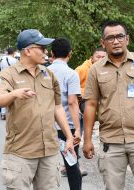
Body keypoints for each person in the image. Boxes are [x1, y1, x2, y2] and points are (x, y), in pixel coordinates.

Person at [82, 20, 134, 190]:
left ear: (127, 39)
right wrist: (87, 140)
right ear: (103, 42)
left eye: (120, 36)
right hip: (110, 142)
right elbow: (90, 105)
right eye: (110, 37)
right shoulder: (96, 69)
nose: (116, 41)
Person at [0, 29, 75, 190]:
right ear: (28, 50)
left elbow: (57, 107)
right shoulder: (8, 75)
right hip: (20, 152)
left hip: (49, 150)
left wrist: (69, 136)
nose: (46, 52)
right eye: (42, 48)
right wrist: (15, 94)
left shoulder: (48, 74)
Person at [48, 38, 82, 190]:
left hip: (46, 126)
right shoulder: (71, 73)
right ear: (70, 54)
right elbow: (72, 102)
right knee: (72, 164)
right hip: (66, 126)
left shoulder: (44, 72)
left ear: (52, 53)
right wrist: (77, 129)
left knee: (46, 164)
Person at [0, 47, 18, 120]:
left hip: (3, 79)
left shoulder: (2, 60)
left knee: (4, 95)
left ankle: (3, 114)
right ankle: (11, 113)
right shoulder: (15, 60)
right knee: (12, 96)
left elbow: (1, 69)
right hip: (12, 80)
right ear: (13, 52)